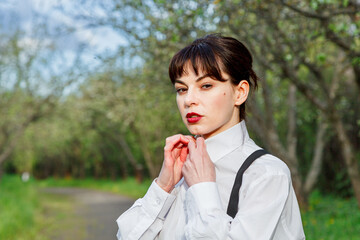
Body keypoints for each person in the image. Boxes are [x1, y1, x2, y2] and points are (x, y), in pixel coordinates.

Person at [116, 34, 305, 240]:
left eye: (206, 86)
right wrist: (163, 186)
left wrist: (203, 189)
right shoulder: (181, 170)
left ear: (240, 92)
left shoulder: (266, 175)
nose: (189, 100)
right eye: (181, 89)